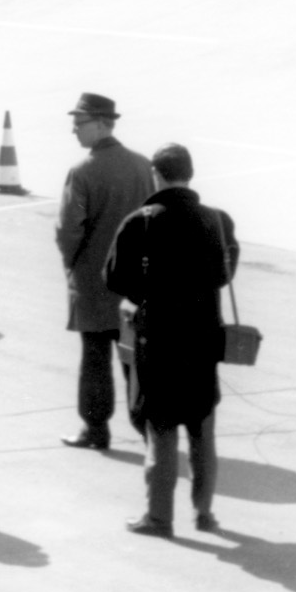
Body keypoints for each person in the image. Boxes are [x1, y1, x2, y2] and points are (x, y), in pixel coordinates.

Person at [105, 143, 239, 537]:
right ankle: (204, 513)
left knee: (160, 430)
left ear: (156, 174)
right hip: (203, 338)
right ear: (190, 173)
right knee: (202, 428)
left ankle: (159, 517)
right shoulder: (218, 221)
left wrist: (147, 293)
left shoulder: (140, 222)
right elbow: (224, 275)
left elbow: (114, 278)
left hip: (158, 340)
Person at [54, 91, 156, 451]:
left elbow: (68, 230)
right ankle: (151, 432)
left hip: (94, 281)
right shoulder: (144, 166)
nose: (73, 130)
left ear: (100, 125)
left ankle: (95, 429)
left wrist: (73, 266)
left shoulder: (83, 172)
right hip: (136, 285)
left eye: (78, 123)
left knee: (95, 358)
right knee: (135, 360)